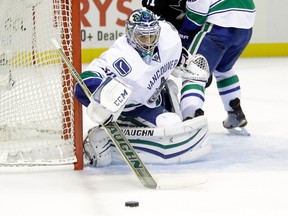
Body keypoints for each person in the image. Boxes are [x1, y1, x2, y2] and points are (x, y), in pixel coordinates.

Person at [74, 8, 211, 166]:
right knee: (170, 124)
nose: (149, 42)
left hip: (157, 95)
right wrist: (103, 95)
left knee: (172, 103)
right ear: (131, 35)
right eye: (142, 37)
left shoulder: (168, 36)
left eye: (152, 36)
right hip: (133, 109)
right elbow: (83, 82)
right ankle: (105, 135)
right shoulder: (119, 56)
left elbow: (176, 55)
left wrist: (185, 62)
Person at [178, 1, 256, 135]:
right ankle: (235, 113)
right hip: (245, 28)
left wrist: (181, 32)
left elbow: (196, 17)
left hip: (219, 28)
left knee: (193, 73)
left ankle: (190, 120)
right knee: (224, 69)